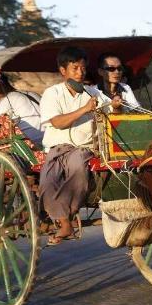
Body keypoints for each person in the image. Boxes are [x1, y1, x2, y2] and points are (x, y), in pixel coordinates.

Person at [38, 46, 121, 245]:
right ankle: (64, 222)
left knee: (78, 162)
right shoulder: (52, 93)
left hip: (86, 149)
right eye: (75, 68)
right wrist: (84, 109)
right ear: (63, 71)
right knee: (48, 180)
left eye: (83, 68)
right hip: (58, 149)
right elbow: (57, 122)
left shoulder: (94, 93)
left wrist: (116, 105)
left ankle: (68, 217)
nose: (80, 72)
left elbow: (114, 111)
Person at [0, 74, 44, 148]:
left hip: (33, 144)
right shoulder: (32, 94)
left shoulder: (5, 101)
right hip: (48, 138)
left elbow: (0, 126)